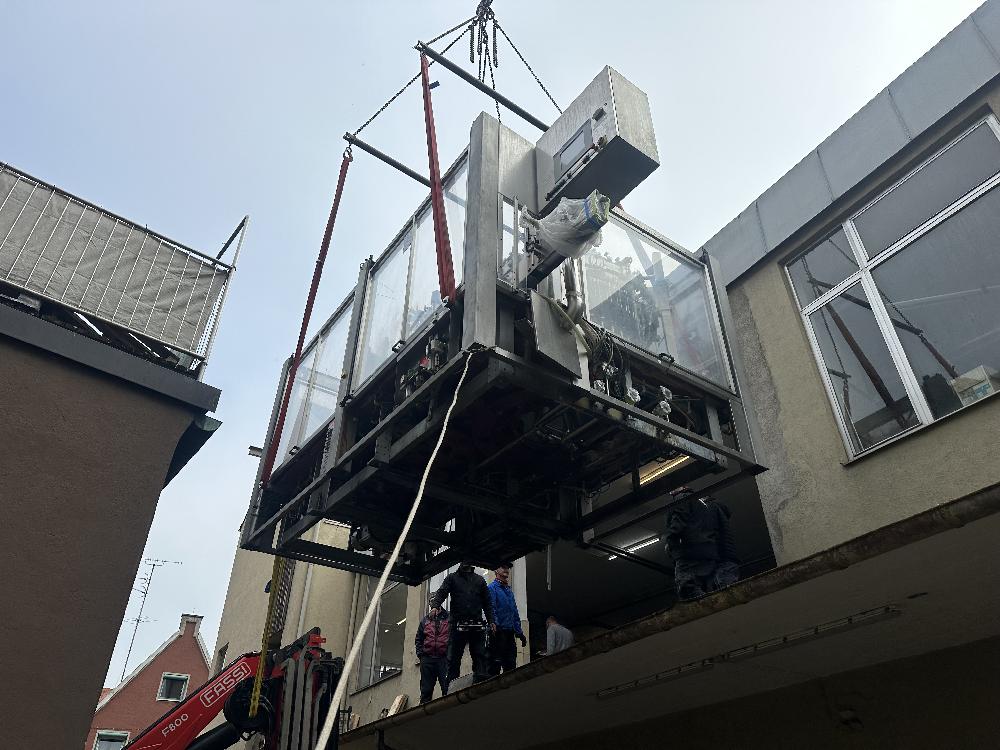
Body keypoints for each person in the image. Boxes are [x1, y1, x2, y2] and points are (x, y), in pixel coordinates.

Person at [665, 489, 739, 600]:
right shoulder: (712, 506)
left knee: (687, 586)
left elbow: (678, 524)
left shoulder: (683, 499)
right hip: (712, 554)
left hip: (689, 552)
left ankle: (703, 602)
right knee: (715, 586)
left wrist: (670, 543)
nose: (671, 492)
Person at [429, 562, 494, 683]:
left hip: (476, 624)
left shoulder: (479, 580)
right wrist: (435, 606)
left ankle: (480, 682)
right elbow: (442, 592)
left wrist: (491, 620)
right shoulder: (452, 578)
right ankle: (451, 685)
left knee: (480, 656)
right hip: (457, 624)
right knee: (453, 658)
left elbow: (487, 602)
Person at [487, 563, 527, 675]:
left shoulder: (508, 591)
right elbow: (491, 609)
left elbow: (514, 612)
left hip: (509, 633)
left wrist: (519, 632)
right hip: (498, 633)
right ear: (496, 570)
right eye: (503, 566)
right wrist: (495, 626)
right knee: (495, 666)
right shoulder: (492, 588)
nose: (506, 569)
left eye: (507, 567)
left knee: (511, 666)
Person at [414, 602, 450, 703]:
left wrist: (450, 654)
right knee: (426, 690)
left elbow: (454, 636)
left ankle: (450, 710)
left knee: (447, 688)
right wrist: (421, 655)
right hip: (428, 659)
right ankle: (424, 710)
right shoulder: (425, 620)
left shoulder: (448, 618)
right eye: (431, 603)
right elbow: (419, 639)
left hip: (444, 659)